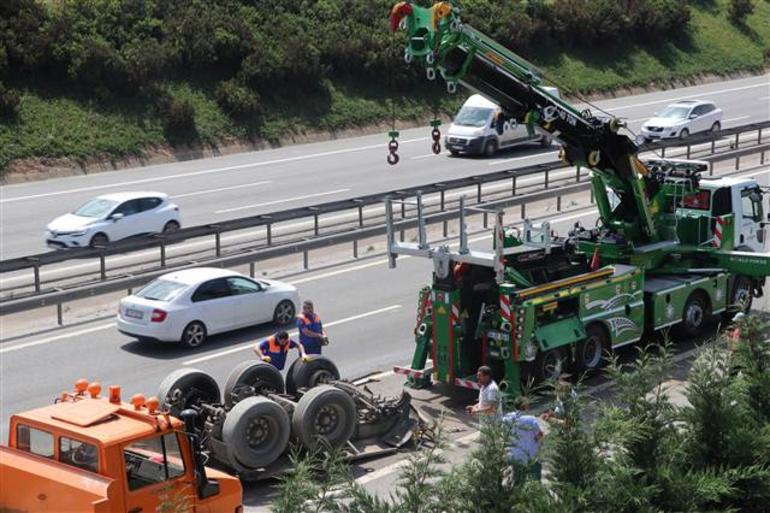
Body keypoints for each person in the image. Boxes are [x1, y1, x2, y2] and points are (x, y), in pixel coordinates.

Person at [503, 398, 544, 481]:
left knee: (517, 480)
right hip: (530, 455)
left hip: (513, 454)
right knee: (535, 480)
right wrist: (536, 439)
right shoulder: (530, 419)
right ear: (525, 406)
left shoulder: (506, 418)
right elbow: (539, 434)